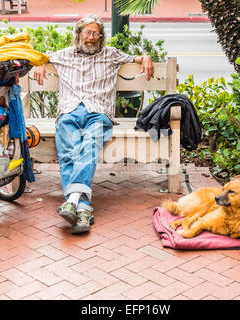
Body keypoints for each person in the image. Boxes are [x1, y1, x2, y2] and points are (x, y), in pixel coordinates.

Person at [34, 14, 154, 234]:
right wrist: (41, 63)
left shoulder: (110, 55)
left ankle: (72, 199)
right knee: (69, 151)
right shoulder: (64, 55)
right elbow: (40, 56)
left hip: (98, 113)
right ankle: (83, 208)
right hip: (69, 111)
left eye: (95, 34)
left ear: (101, 36)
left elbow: (135, 58)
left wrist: (145, 57)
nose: (91, 38)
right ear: (79, 34)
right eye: (87, 33)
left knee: (89, 145)